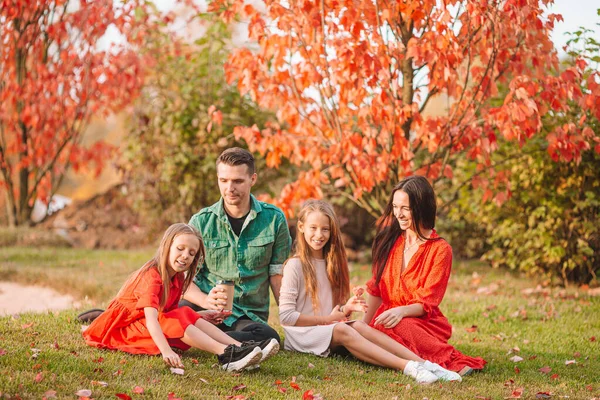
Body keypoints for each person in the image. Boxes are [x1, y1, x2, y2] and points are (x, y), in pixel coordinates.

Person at [279, 200, 462, 384]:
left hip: (326, 329)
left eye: (325, 229)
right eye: (313, 228)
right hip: (301, 335)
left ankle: (427, 365)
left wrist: (345, 309)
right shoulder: (295, 265)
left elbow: (331, 312)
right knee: (343, 328)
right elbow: (286, 316)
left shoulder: (332, 264)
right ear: (301, 227)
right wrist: (328, 320)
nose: (319, 235)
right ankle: (407, 366)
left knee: (359, 326)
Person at [82, 223, 278, 372]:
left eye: (191, 253)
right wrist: (167, 350)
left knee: (184, 311)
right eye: (180, 248)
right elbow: (153, 320)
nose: (185, 256)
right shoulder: (152, 277)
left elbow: (171, 312)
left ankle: (240, 347)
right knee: (179, 315)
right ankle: (226, 354)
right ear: (167, 246)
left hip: (144, 325)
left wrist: (202, 315)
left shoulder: (178, 277)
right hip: (121, 330)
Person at [364, 176, 486, 375]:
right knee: (371, 327)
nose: (398, 214)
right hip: (388, 316)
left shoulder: (440, 249)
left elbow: (427, 302)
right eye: (395, 207)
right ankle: (412, 360)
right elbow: (376, 289)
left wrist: (401, 312)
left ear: (422, 207)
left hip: (420, 321)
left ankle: (444, 359)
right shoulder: (387, 240)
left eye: (405, 208)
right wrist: (364, 326)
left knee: (398, 325)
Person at [181, 147, 292, 348]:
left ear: (253, 179)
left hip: (246, 316)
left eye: (238, 181)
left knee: (268, 336)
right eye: (223, 181)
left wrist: (292, 322)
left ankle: (198, 338)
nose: (229, 188)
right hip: (203, 309)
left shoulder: (274, 219)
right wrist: (206, 301)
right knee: (175, 312)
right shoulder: (201, 222)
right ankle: (220, 340)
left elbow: (278, 275)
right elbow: (184, 279)